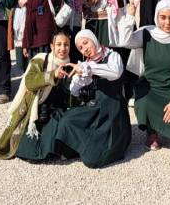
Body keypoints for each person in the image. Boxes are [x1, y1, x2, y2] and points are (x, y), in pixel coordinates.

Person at [24, 29, 131, 168]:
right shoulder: (77, 64)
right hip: (94, 108)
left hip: (112, 111)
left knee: (92, 160)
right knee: (67, 121)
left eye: (86, 43)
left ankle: (96, 147)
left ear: (94, 40)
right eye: (80, 47)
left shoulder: (112, 56)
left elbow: (115, 72)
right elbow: (74, 92)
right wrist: (78, 79)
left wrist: (88, 69)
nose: (85, 49)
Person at [0, 30, 74, 160]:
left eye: (66, 45)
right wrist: (52, 75)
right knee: (29, 150)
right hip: (35, 112)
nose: (63, 48)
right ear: (51, 46)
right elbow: (29, 82)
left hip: (56, 112)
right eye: (58, 44)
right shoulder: (41, 60)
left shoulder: (71, 66)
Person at [119, 0, 170, 149]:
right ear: (156, 17)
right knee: (144, 101)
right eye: (163, 17)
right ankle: (151, 132)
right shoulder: (148, 33)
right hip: (151, 88)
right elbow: (125, 42)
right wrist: (130, 16)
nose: (167, 23)